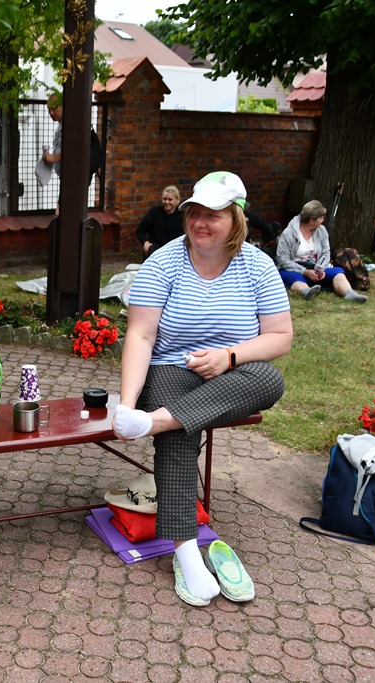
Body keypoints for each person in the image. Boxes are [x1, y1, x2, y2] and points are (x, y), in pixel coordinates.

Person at [112, 171, 293, 607]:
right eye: (194, 212)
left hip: (230, 370)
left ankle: (156, 422)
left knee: (270, 378)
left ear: (236, 220)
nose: (199, 222)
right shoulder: (163, 263)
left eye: (213, 215)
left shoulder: (257, 266)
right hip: (170, 368)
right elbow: (140, 335)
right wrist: (128, 405)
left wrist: (228, 357)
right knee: (181, 431)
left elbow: (280, 336)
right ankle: (186, 550)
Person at [275, 200, 368, 303]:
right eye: (321, 218)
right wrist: (305, 271)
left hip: (314, 266)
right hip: (294, 268)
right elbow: (283, 259)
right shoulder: (288, 234)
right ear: (312, 220)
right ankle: (306, 291)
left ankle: (349, 293)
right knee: (294, 276)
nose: (323, 221)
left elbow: (325, 252)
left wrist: (320, 268)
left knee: (337, 272)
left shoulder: (322, 231)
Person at [136, 186, 182, 258]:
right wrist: (145, 242)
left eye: (170, 199)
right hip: (155, 250)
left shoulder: (182, 217)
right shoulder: (154, 212)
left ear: (177, 200)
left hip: (174, 251)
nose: (166, 202)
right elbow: (140, 230)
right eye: (164, 199)